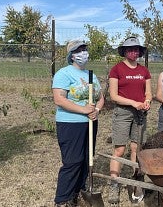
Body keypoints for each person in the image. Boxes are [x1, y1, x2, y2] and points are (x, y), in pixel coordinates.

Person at [52, 40, 105, 207]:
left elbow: (100, 97)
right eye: (79, 50)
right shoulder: (64, 73)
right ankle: (63, 199)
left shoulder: (91, 75)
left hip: (90, 123)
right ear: (72, 55)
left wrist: (96, 110)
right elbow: (59, 99)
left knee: (86, 159)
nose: (83, 53)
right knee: (73, 161)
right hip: (70, 124)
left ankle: (79, 193)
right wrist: (84, 110)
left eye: (85, 49)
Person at [108, 36, 152, 204]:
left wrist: (147, 101)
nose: (134, 52)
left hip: (140, 113)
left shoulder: (144, 71)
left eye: (136, 49)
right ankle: (115, 183)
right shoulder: (117, 70)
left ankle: (136, 182)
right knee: (119, 149)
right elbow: (114, 96)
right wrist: (134, 103)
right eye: (130, 49)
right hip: (123, 112)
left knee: (136, 148)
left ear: (140, 52)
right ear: (125, 52)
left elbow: (148, 92)